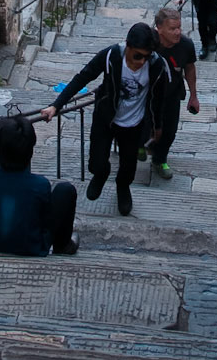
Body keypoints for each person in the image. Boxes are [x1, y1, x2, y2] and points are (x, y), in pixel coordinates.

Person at [49, 23, 174, 216]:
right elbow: (83, 77)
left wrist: (157, 126)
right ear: (128, 46)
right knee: (96, 163)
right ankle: (101, 173)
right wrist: (56, 105)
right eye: (137, 56)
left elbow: (159, 100)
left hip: (134, 125)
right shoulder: (111, 56)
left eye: (146, 56)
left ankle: (122, 188)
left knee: (128, 167)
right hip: (106, 119)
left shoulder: (156, 65)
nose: (142, 61)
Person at [0, 115, 78, 256]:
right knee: (65, 190)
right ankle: (63, 246)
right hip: (29, 246)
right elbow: (43, 220)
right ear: (30, 151)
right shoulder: (40, 184)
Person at [143, 3, 199, 180]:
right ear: (159, 29)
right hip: (147, 94)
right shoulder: (147, 43)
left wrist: (193, 95)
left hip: (172, 94)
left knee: (169, 131)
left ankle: (159, 159)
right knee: (144, 125)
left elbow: (189, 68)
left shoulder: (186, 45)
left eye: (179, 28)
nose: (177, 32)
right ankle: (140, 145)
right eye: (172, 29)